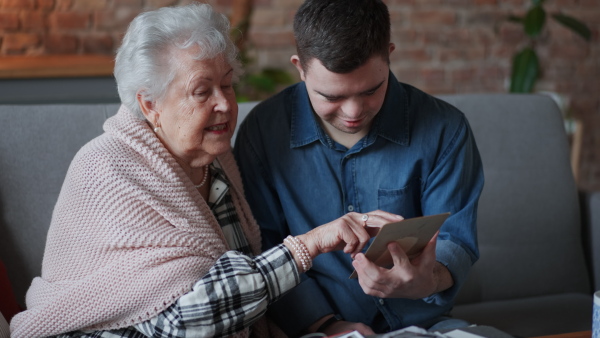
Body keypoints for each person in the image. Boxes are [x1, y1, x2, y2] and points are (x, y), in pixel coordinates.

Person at [9, 4, 402, 338]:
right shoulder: (107, 167)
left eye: (227, 86)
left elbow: (243, 301)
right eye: (202, 91)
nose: (225, 105)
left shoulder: (216, 162)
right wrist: (309, 244)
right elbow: (185, 320)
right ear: (150, 105)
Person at [233, 0, 485, 336]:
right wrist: (326, 324)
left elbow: (456, 237)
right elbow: (263, 246)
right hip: (313, 328)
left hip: (426, 324)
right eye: (331, 96)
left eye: (370, 90)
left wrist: (429, 279)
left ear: (390, 54)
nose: (353, 111)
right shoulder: (262, 133)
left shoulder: (445, 129)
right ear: (300, 67)